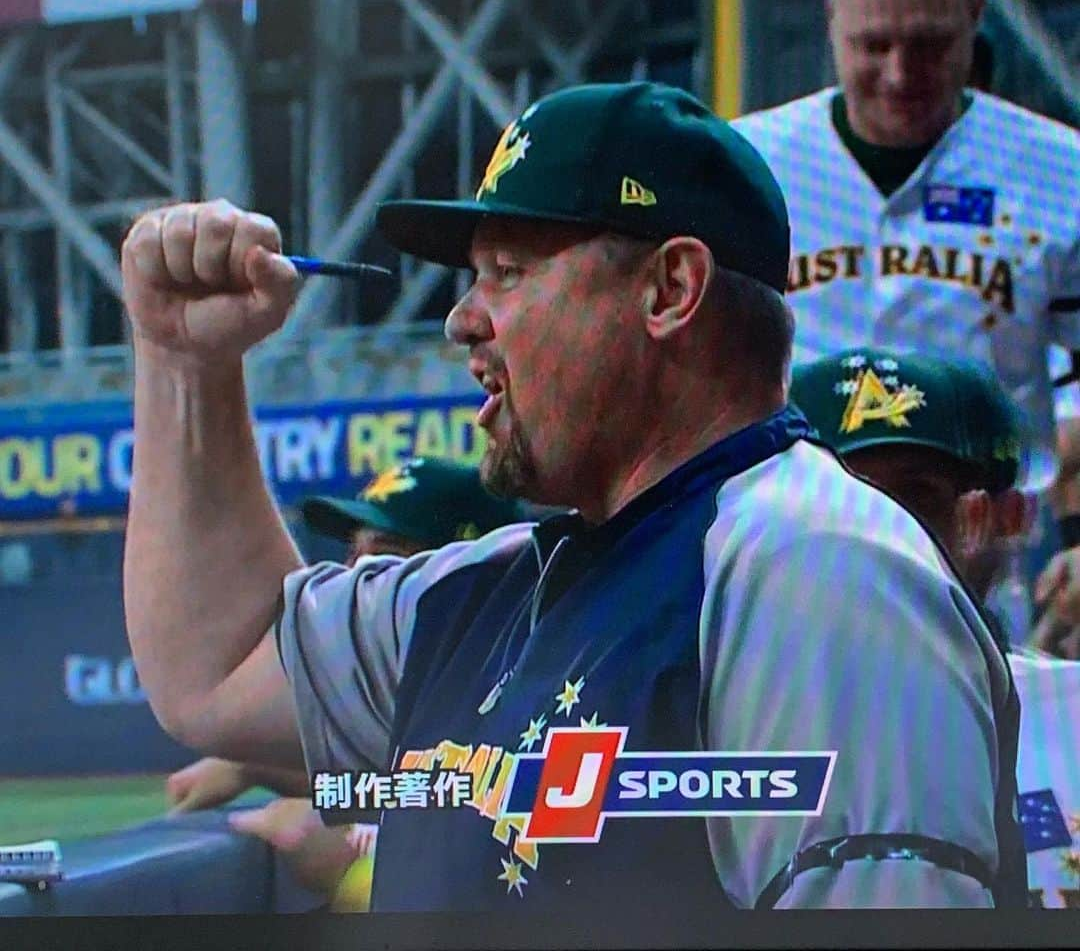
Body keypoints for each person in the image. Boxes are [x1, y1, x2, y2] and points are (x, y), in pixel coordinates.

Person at [121, 80, 1025, 911]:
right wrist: (183, 361)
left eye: (508, 271)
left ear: (670, 289)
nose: (463, 319)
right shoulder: (496, 586)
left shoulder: (817, 574)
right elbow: (219, 666)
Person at [732, 0, 1080, 640]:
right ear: (833, 19)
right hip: (788, 542)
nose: (898, 73)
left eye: (929, 45)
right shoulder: (752, 163)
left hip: (993, 551)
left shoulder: (1059, 169)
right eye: (873, 45)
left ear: (977, 15)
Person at [165, 456, 525, 911]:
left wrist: (350, 867)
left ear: (465, 567)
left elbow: (501, 847)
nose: (356, 575)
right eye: (353, 551)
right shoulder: (443, 705)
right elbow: (420, 778)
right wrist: (254, 768)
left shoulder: (528, 696)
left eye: (386, 553)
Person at [790, 346, 1080, 907]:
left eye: (913, 499)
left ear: (1009, 518)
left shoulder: (1073, 718)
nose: (873, 529)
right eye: (838, 492)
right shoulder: (714, 736)